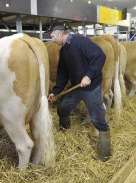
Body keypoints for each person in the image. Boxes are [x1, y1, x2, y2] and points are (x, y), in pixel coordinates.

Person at [46, 22, 111, 162]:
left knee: (98, 119)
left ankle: (105, 154)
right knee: (62, 108)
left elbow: (100, 56)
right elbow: (62, 74)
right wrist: (55, 92)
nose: (51, 40)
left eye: (52, 36)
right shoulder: (64, 50)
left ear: (60, 33)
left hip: (91, 87)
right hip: (77, 87)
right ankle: (65, 134)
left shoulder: (80, 41)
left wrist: (88, 76)